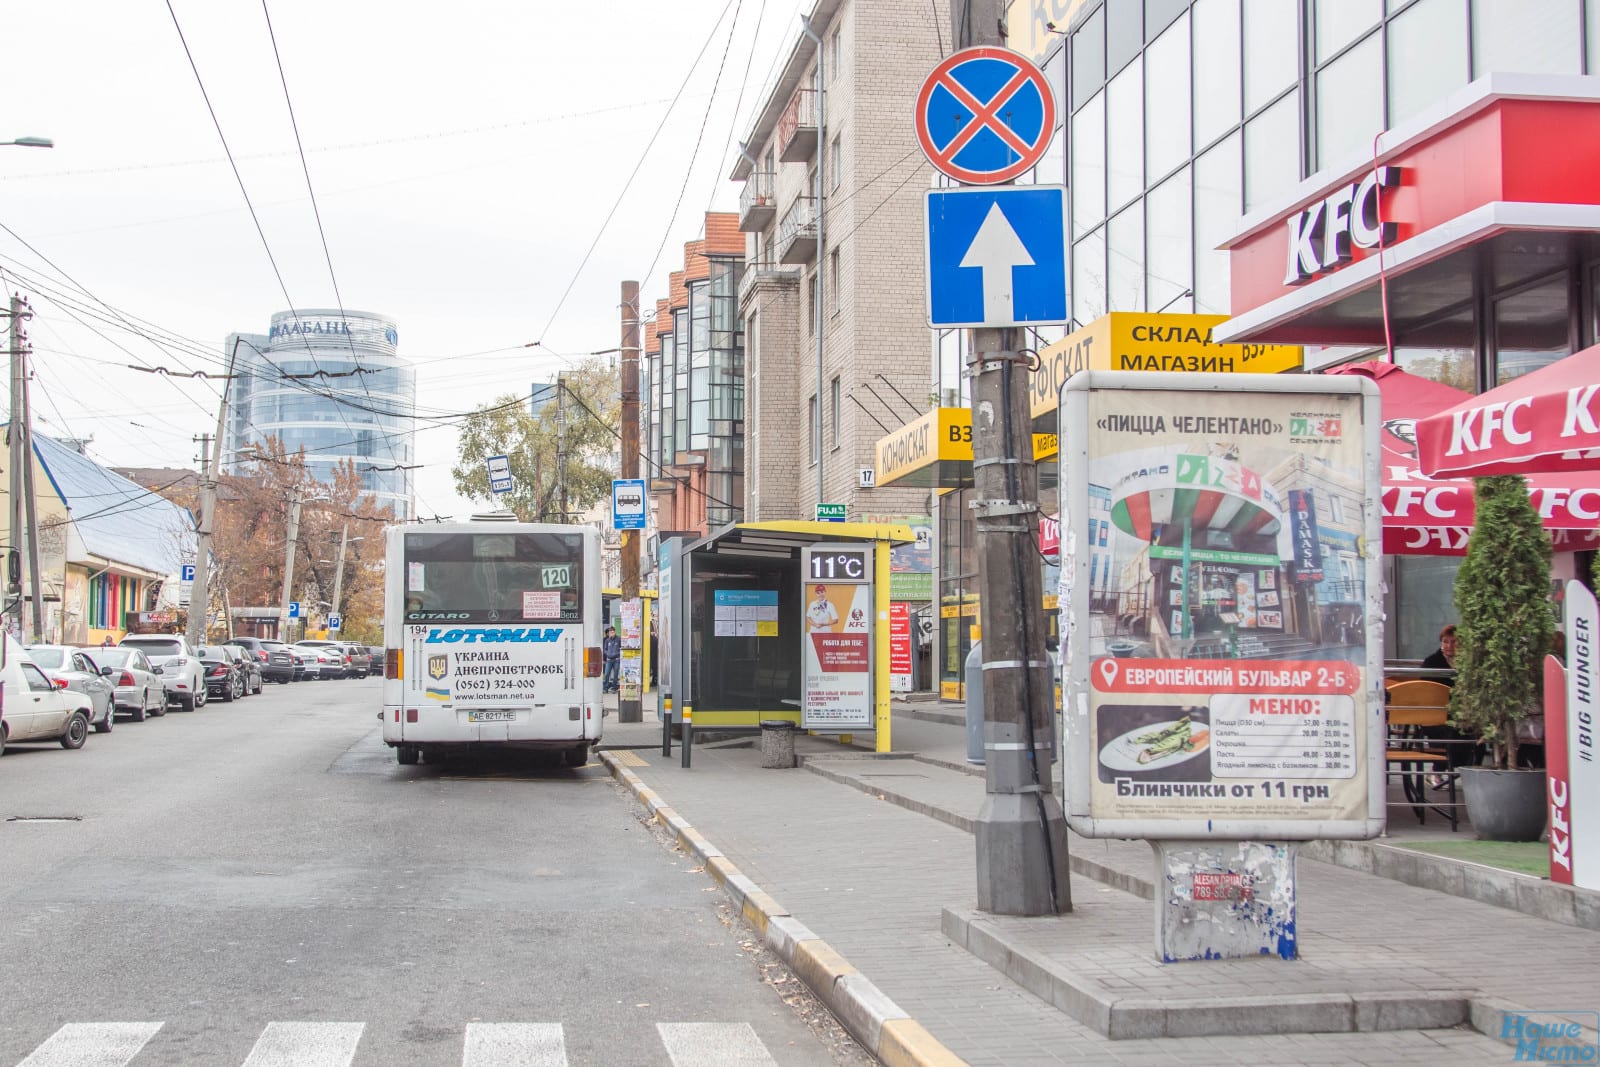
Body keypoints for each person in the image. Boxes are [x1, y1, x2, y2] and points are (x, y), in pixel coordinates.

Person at [602, 626, 621, 693]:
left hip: (616, 660)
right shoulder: (607, 640)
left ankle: (614, 688)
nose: (612, 633)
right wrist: (608, 654)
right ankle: (605, 688)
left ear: (615, 632)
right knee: (606, 674)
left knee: (615, 674)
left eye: (613, 632)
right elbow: (605, 649)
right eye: (610, 632)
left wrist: (616, 653)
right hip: (609, 660)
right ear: (609, 633)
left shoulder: (618, 639)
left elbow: (621, 649)